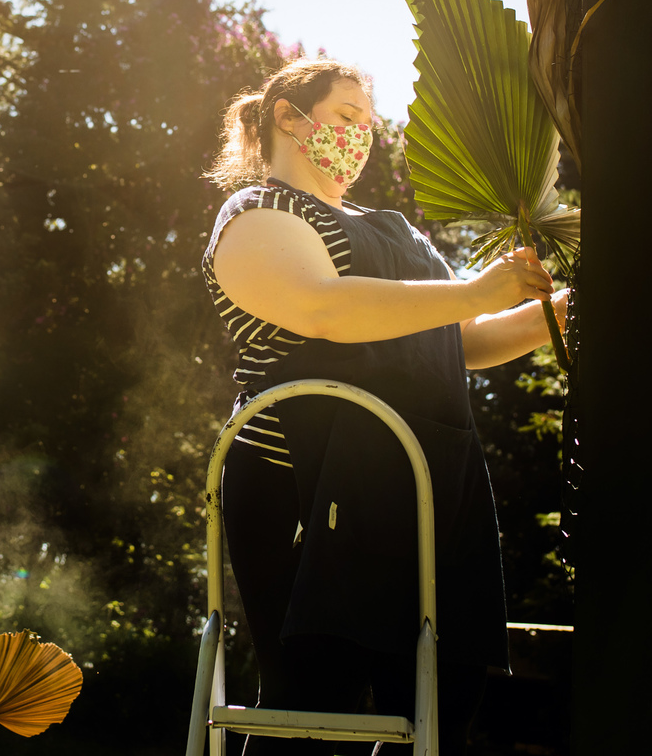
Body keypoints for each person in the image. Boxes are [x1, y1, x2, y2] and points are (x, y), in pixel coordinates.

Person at [202, 58, 568, 755]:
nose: (359, 138)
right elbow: (321, 306)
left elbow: (457, 339)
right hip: (302, 481)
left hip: (425, 483)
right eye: (345, 118)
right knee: (312, 699)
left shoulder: (396, 229)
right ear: (288, 116)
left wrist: (555, 314)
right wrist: (472, 292)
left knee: (444, 700)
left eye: (368, 128)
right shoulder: (257, 214)